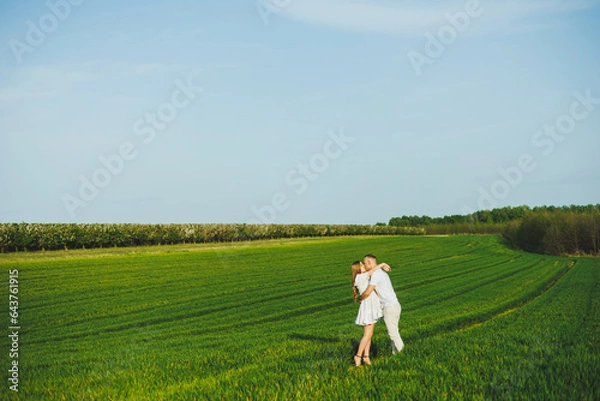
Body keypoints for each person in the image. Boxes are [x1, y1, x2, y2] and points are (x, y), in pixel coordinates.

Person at [360, 254, 404, 354]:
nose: (364, 265)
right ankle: (396, 354)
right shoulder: (380, 272)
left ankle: (403, 353)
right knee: (394, 332)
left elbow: (368, 292)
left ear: (370, 262)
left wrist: (360, 298)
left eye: (365, 263)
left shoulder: (376, 275)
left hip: (389, 307)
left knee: (393, 334)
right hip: (394, 305)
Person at [351, 260, 390, 366]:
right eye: (361, 265)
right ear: (358, 269)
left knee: (369, 334)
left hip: (371, 307)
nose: (364, 265)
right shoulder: (360, 277)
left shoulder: (362, 277)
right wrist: (382, 264)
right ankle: (358, 356)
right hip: (368, 308)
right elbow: (373, 270)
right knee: (367, 334)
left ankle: (366, 356)